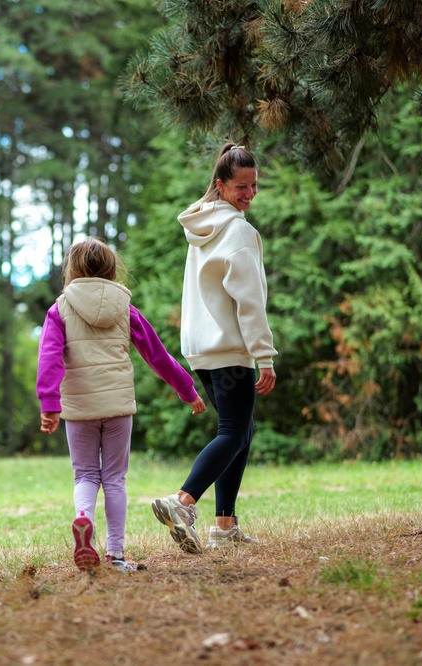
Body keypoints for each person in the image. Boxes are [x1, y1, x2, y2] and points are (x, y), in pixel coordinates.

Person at [36, 237, 206, 572]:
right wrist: (187, 389)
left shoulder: (59, 310)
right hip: (117, 406)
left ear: (71, 270)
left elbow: (49, 358)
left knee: (84, 474)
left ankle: (84, 519)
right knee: (114, 479)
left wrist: (49, 403)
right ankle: (116, 556)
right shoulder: (125, 308)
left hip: (80, 409)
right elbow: (157, 355)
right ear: (114, 270)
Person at [151, 142, 277, 553]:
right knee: (234, 430)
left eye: (255, 185)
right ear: (221, 186)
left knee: (242, 430)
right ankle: (183, 502)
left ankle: (225, 525)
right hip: (228, 347)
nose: (250, 194)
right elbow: (250, 301)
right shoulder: (238, 231)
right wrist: (265, 357)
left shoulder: (201, 227)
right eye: (241, 186)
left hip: (200, 349)